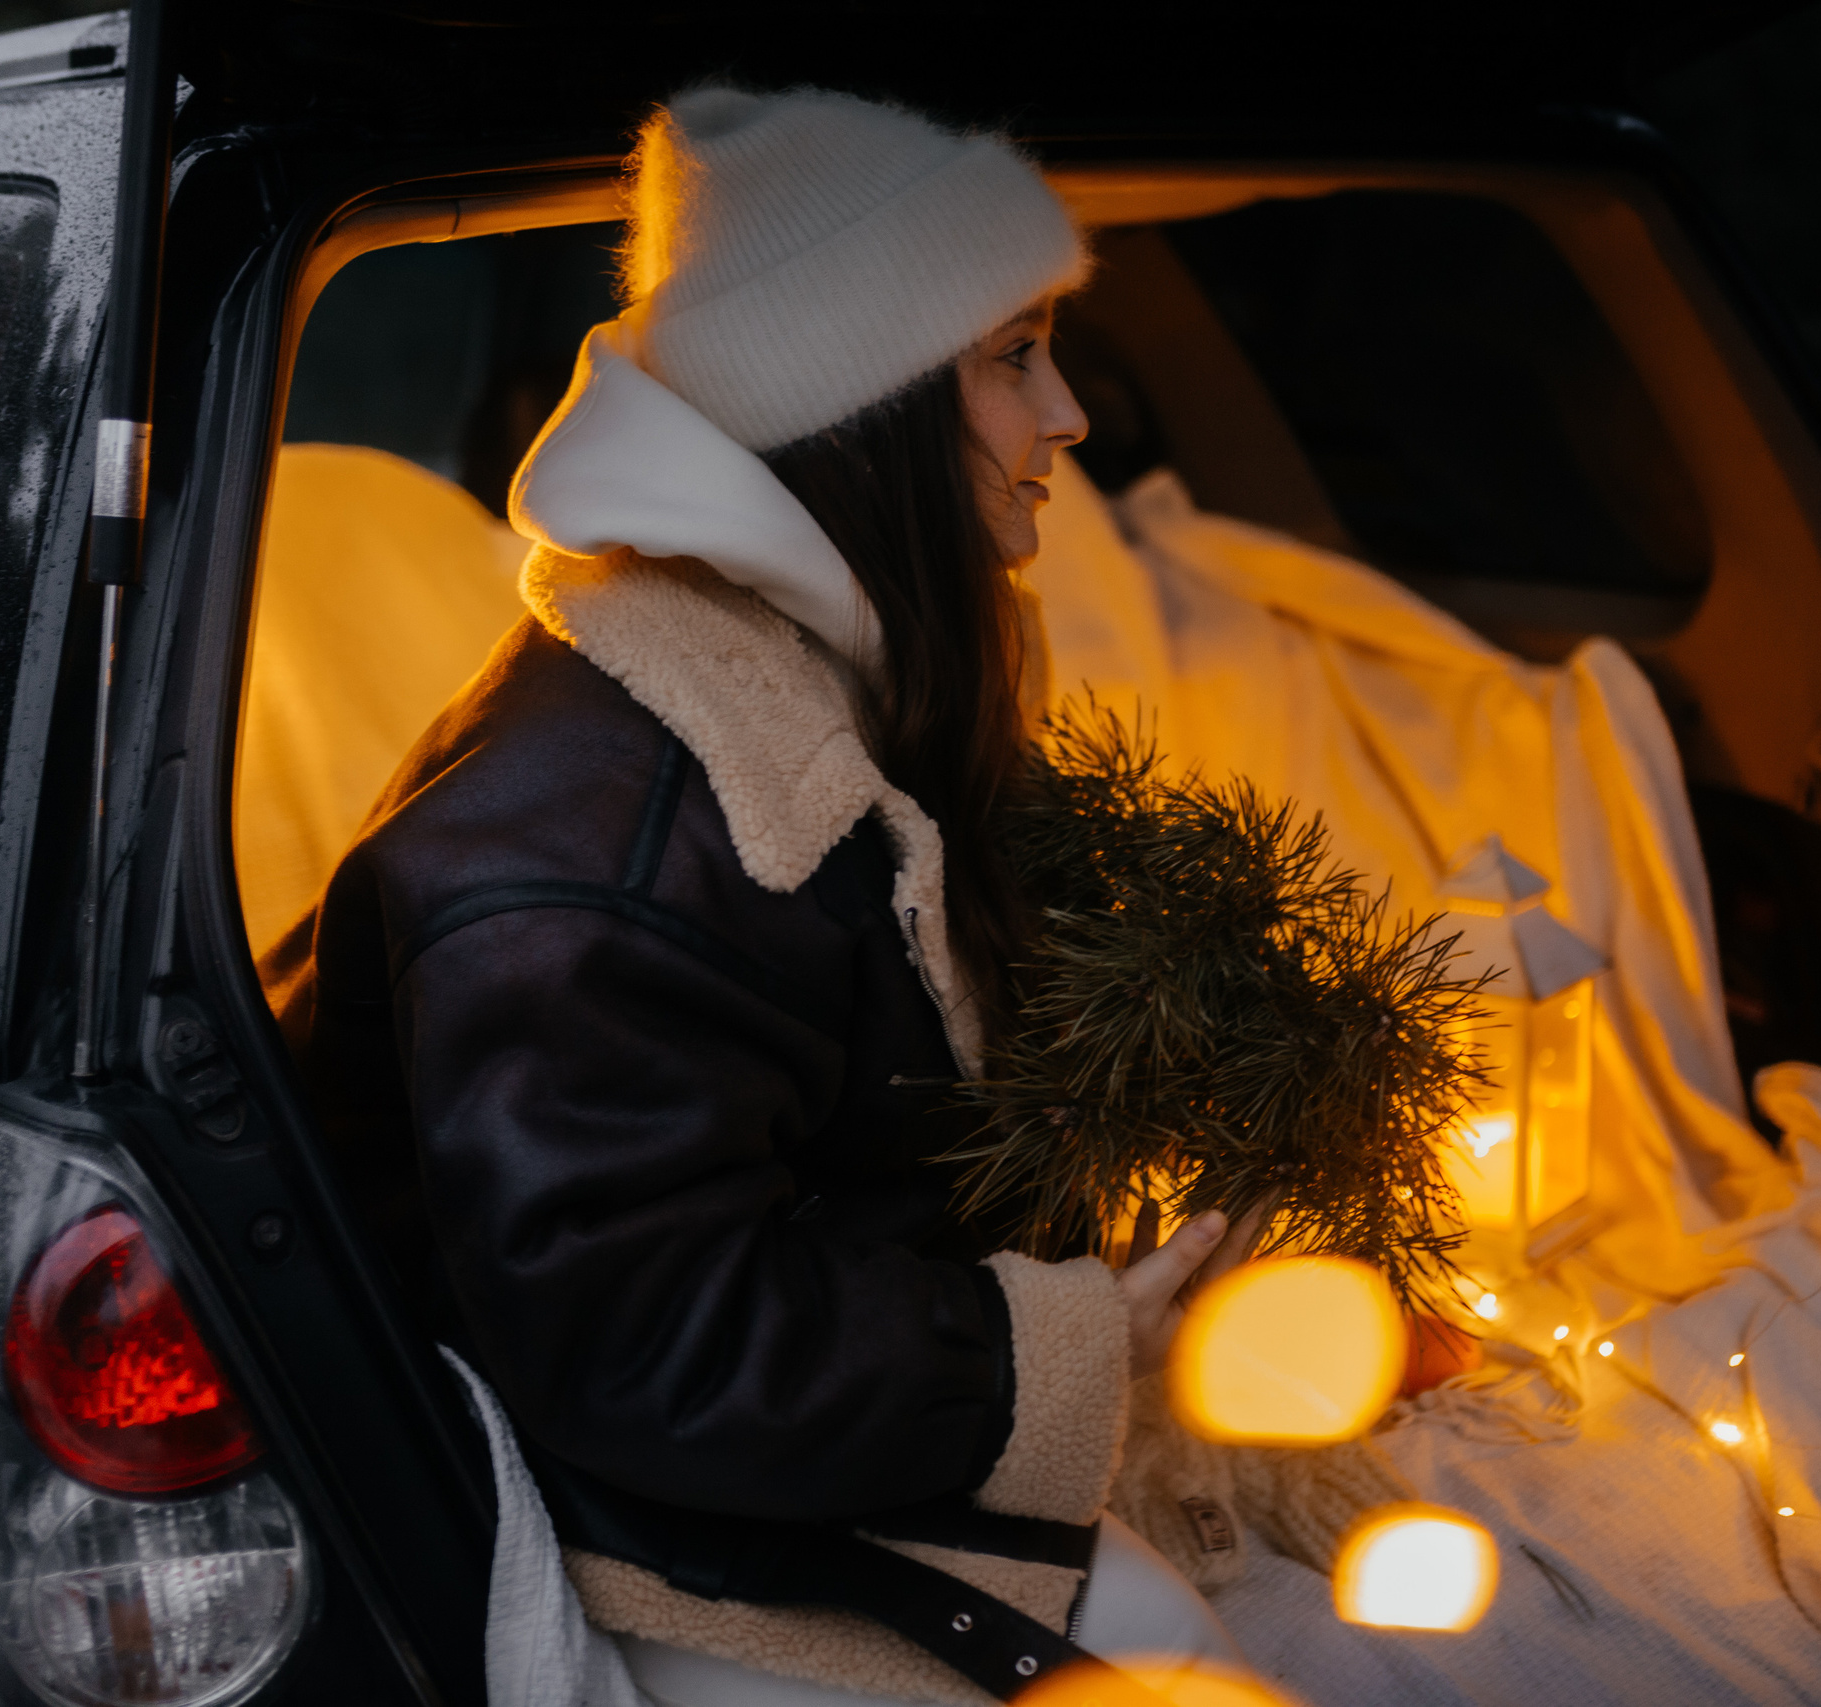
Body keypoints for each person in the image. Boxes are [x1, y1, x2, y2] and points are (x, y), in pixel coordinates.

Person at [277, 84, 1263, 1703]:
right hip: (631, 1506)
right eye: (1015, 353)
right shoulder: (602, 851)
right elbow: (651, 1344)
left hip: (771, 1427)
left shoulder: (795, 695)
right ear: (859, 404)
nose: (1072, 412)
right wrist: (1058, 1346)